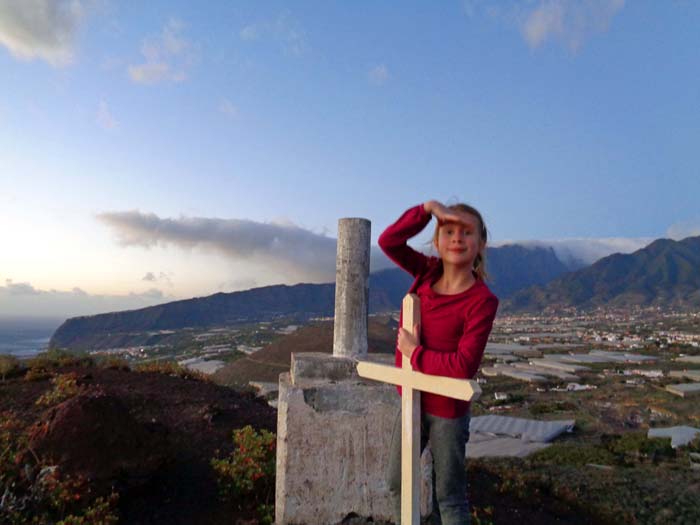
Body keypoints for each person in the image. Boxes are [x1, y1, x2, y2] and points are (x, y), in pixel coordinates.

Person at [379, 200, 499, 525]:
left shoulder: (482, 301)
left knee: (449, 498)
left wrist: (415, 353)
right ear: (437, 241)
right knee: (396, 483)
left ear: (481, 244)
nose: (457, 238)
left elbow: (463, 366)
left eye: (466, 231)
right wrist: (427, 209)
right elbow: (388, 241)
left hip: (448, 412)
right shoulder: (426, 271)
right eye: (448, 230)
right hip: (412, 401)